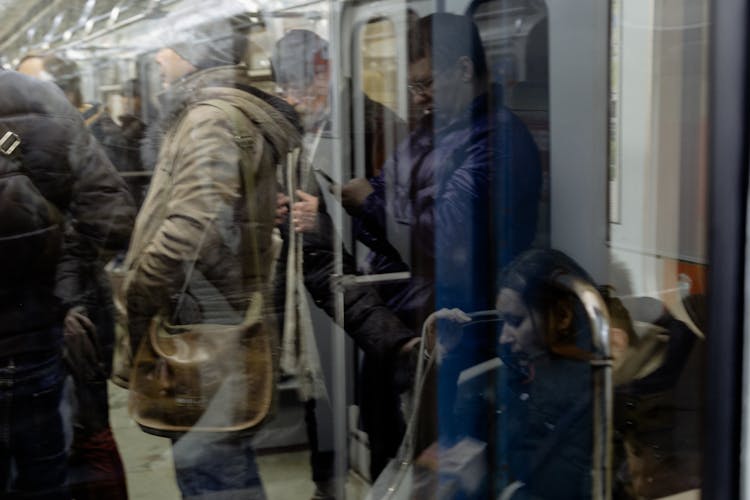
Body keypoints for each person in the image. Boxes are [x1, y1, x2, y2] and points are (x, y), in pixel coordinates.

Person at [340, 12, 543, 472]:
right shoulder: (427, 133)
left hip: (450, 330)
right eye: (412, 88)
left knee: (433, 462)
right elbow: (385, 218)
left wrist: (373, 204)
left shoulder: (496, 140)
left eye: (426, 83)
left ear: (465, 70)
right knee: (390, 456)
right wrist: (376, 209)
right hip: (399, 325)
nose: (418, 98)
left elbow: (448, 243)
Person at [122, 19, 302, 499]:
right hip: (213, 307)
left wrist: (138, 291)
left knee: (212, 470)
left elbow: (190, 227)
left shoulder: (210, 119)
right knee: (216, 465)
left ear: (194, 54)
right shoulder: (210, 114)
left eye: (168, 45)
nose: (159, 56)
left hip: (204, 316)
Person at [270, 29, 416, 493]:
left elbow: (401, 223)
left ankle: (382, 487)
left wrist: (330, 216)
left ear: (327, 70)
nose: (296, 99)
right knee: (323, 398)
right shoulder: (302, 126)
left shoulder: (377, 125)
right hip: (323, 285)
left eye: (302, 88)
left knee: (380, 410)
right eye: (287, 91)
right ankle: (326, 486)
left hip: (376, 289)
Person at [0, 68, 135, 498]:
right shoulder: (39, 97)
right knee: (44, 478)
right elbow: (110, 216)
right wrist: (63, 289)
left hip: (35, 333)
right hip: (33, 341)